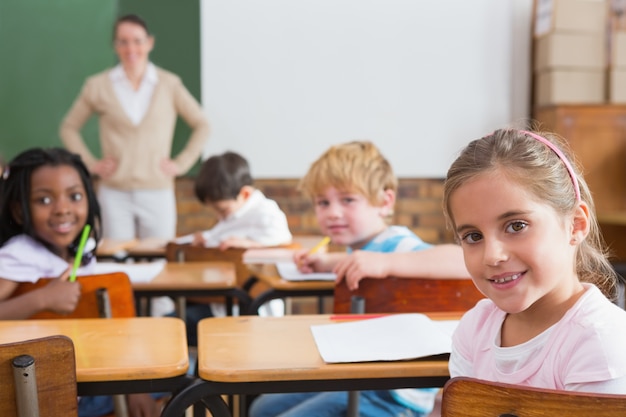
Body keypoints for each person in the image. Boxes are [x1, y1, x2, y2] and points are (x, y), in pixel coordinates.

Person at [249, 140, 470, 417]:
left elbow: (462, 260)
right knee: (261, 407)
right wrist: (329, 262)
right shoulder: (363, 248)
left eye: (348, 200)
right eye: (323, 202)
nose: (333, 212)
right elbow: (365, 263)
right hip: (359, 376)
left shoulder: (396, 243)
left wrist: (386, 263)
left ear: (384, 202)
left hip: (392, 397)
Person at [443, 129, 626, 393]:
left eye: (516, 226)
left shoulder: (601, 342)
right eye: (473, 236)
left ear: (575, 224)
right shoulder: (475, 330)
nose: (493, 256)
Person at [0, 147, 160, 417]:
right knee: (186, 378)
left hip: (89, 376)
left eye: (74, 196)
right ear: (19, 210)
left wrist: (133, 386)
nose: (63, 209)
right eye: (44, 200)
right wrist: (42, 299)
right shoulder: (19, 253)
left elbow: (110, 335)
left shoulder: (79, 254)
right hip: (46, 396)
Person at [60, 13, 210, 242]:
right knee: (116, 258)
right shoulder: (98, 86)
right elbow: (68, 127)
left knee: (159, 258)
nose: (131, 48)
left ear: (150, 43)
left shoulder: (169, 84)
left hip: (157, 190)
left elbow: (202, 124)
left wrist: (181, 164)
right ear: (115, 45)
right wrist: (92, 165)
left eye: (137, 41)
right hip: (114, 193)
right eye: (123, 41)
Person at [176, 151, 292, 342]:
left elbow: (284, 244)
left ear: (244, 193)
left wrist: (249, 245)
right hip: (222, 302)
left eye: (222, 210)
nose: (219, 216)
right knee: (171, 319)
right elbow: (221, 234)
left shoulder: (265, 212)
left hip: (248, 309)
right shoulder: (235, 213)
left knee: (173, 324)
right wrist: (205, 239)